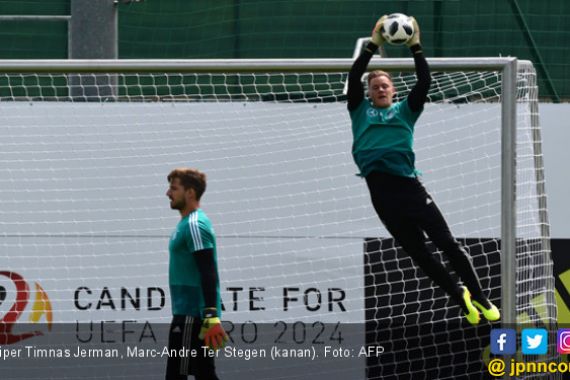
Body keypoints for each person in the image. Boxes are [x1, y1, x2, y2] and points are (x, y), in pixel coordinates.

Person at [347, 16, 500, 325]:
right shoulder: (359, 109)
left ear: (392, 90)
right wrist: (373, 44)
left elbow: (425, 82)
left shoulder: (405, 110)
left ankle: (480, 296)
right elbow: (354, 77)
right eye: (375, 86)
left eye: (384, 86)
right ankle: (460, 298)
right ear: (369, 92)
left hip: (411, 190)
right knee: (420, 255)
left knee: (447, 244)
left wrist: (416, 45)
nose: (379, 89)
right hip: (382, 195)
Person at [165, 168, 228, 380]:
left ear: (190, 193)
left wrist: (210, 315)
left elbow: (207, 270)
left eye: (174, 188)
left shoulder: (194, 224)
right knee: (204, 375)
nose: (168, 193)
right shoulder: (185, 224)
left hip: (192, 317)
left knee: (178, 376)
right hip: (188, 315)